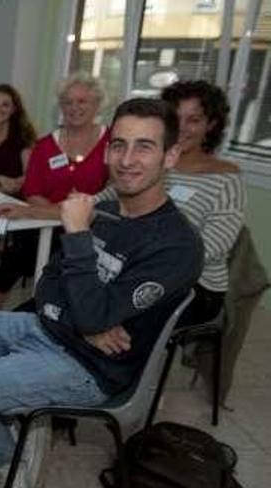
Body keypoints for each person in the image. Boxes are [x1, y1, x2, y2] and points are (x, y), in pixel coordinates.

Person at [0, 98, 203, 488]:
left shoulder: (176, 245)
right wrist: (87, 322)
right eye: (118, 144)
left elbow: (92, 312)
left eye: (144, 146)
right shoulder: (106, 207)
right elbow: (47, 285)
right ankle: (11, 414)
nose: (126, 160)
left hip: (88, 368)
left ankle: (12, 458)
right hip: (46, 328)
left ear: (171, 155)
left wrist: (76, 236)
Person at [95, 81, 244, 327]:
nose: (182, 128)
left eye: (194, 120)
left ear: (211, 125)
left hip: (195, 285)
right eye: (176, 118)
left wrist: (137, 256)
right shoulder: (150, 164)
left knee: (114, 312)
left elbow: (210, 248)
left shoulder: (226, 178)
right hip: (132, 264)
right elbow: (95, 203)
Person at [0, 73, 110, 308]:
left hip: (93, 230)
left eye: (82, 101)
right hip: (44, 226)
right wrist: (60, 213)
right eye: (68, 102)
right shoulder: (44, 146)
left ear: (97, 104)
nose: (74, 108)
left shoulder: (112, 143)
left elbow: (105, 203)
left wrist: (41, 212)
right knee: (24, 244)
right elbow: (32, 192)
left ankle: (11, 298)